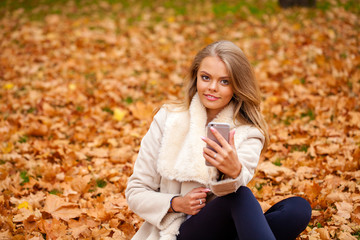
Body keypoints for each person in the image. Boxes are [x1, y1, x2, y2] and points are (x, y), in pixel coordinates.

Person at [125, 40, 312, 240]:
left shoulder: (248, 132)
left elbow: (234, 193)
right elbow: (136, 192)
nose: (212, 87)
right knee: (241, 197)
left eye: (224, 81)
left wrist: (234, 172)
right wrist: (177, 202)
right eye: (206, 78)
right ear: (195, 77)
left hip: (224, 229)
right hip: (178, 232)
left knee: (297, 209)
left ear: (237, 86)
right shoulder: (168, 118)